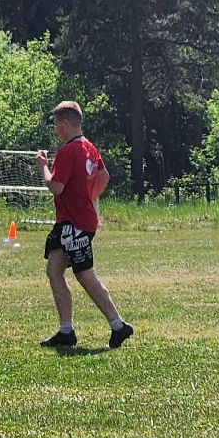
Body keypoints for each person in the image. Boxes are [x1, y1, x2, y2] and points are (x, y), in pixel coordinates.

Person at [36, 100, 132, 349]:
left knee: (84, 275)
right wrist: (87, 198)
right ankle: (65, 330)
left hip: (74, 224)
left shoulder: (68, 151)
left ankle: (118, 324)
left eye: (58, 124)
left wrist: (43, 167)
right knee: (54, 270)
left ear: (66, 124)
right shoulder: (89, 146)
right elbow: (104, 177)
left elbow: (56, 187)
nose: (56, 129)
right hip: (71, 222)